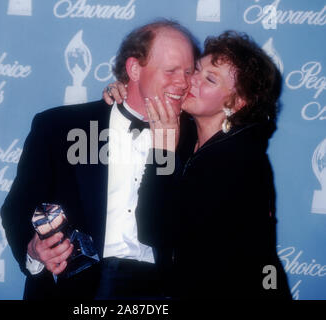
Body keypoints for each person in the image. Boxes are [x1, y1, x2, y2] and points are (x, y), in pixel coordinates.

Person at [0, 19, 199, 300]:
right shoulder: (61, 127)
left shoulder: (198, 138)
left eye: (189, 72)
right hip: (78, 286)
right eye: (171, 71)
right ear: (134, 69)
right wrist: (33, 251)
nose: (182, 82)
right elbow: (18, 206)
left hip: (162, 289)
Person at [103, 31, 292, 299]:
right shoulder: (193, 135)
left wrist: (163, 146)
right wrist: (125, 89)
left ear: (236, 103)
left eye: (210, 79)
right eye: (197, 70)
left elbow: (154, 230)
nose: (191, 81)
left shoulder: (238, 162)